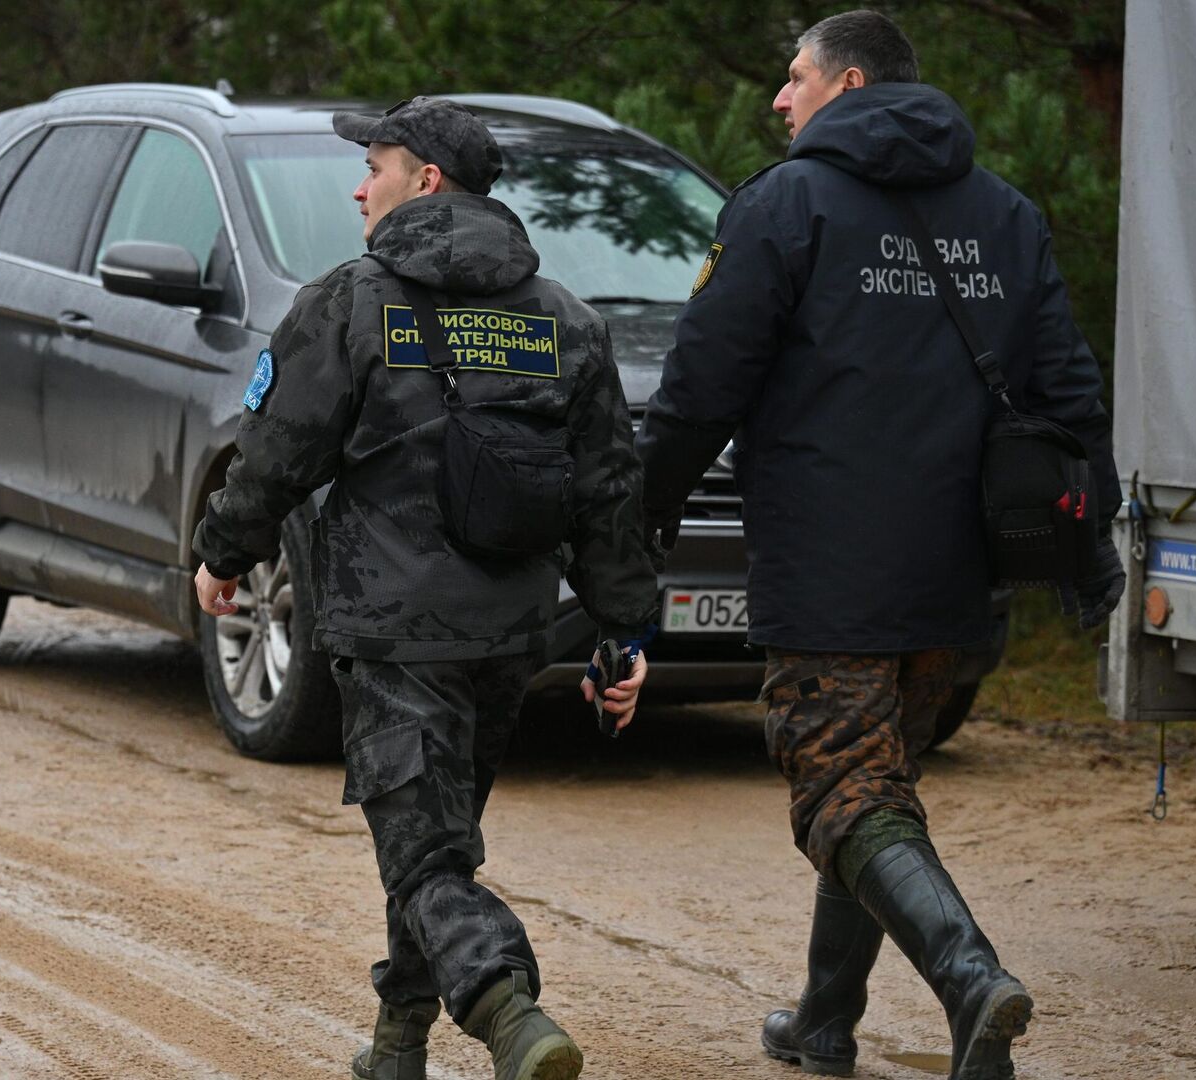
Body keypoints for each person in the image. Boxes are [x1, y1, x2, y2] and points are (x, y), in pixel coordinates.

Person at [636, 11, 1125, 1080]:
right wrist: (1092, 559)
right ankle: (823, 1022)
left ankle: (971, 978)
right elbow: (1073, 399)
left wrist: (640, 513)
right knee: (875, 779)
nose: (780, 97)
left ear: (847, 83)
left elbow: (699, 387)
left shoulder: (784, 204)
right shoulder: (1006, 212)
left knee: (844, 793)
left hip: (830, 570)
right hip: (960, 574)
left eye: (795, 77)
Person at [190, 97, 657, 1080]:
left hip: (394, 631)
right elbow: (610, 498)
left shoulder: (352, 302)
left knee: (429, 857)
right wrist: (623, 636)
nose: (362, 186)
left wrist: (222, 555)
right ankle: (397, 1045)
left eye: (378, 165)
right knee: (432, 838)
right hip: (507, 639)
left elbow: (275, 456)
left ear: (427, 182)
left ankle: (509, 1013)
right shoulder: (566, 320)